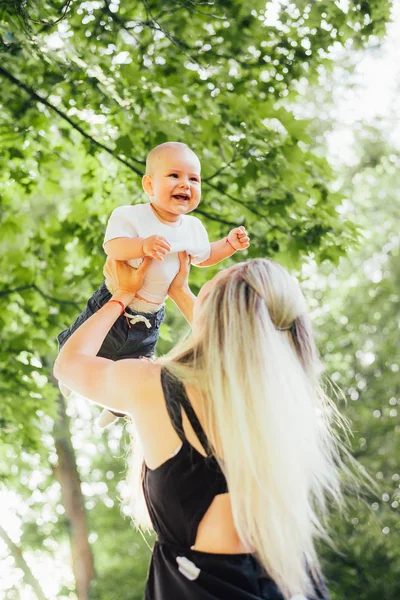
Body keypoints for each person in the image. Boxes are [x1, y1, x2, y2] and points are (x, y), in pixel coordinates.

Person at [53, 250, 348, 600]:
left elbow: (69, 365)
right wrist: (179, 292)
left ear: (210, 306)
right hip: (291, 586)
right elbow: (239, 350)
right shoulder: (286, 404)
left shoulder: (156, 386)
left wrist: (123, 295)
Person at [56, 141, 249, 427]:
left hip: (151, 315)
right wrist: (142, 246)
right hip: (115, 299)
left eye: (193, 179)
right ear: (149, 184)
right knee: (89, 344)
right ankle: (69, 372)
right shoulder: (131, 216)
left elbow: (204, 257)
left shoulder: (193, 228)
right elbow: (114, 248)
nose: (185, 184)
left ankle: (117, 408)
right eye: (174, 176)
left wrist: (228, 245)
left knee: (137, 364)